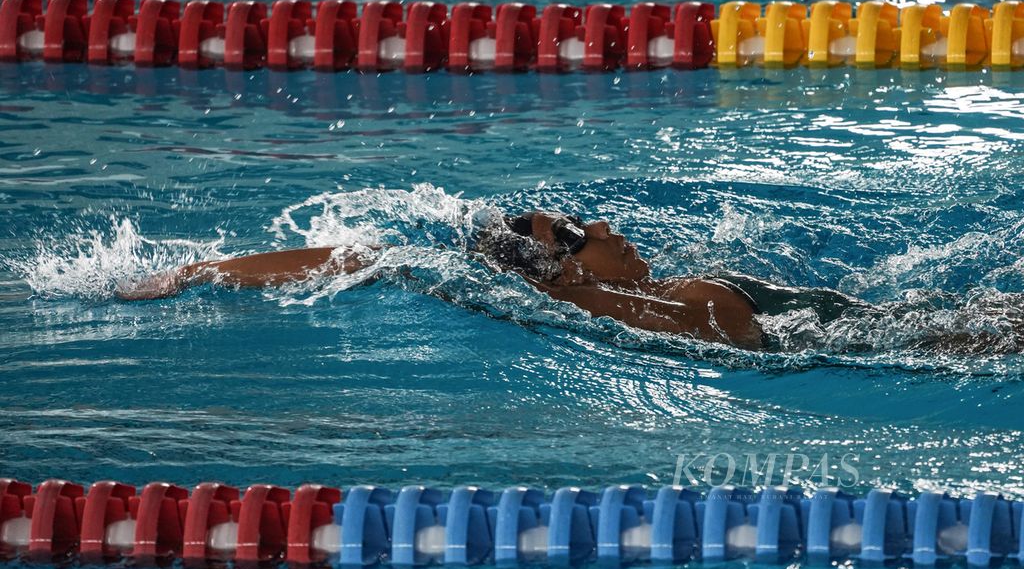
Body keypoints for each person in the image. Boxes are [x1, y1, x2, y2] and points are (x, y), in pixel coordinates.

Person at [117, 211, 865, 351]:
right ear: (560, 269)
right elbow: (362, 257)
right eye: (574, 235)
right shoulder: (686, 304)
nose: (603, 227)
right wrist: (201, 269)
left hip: (849, 323)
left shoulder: (691, 299)